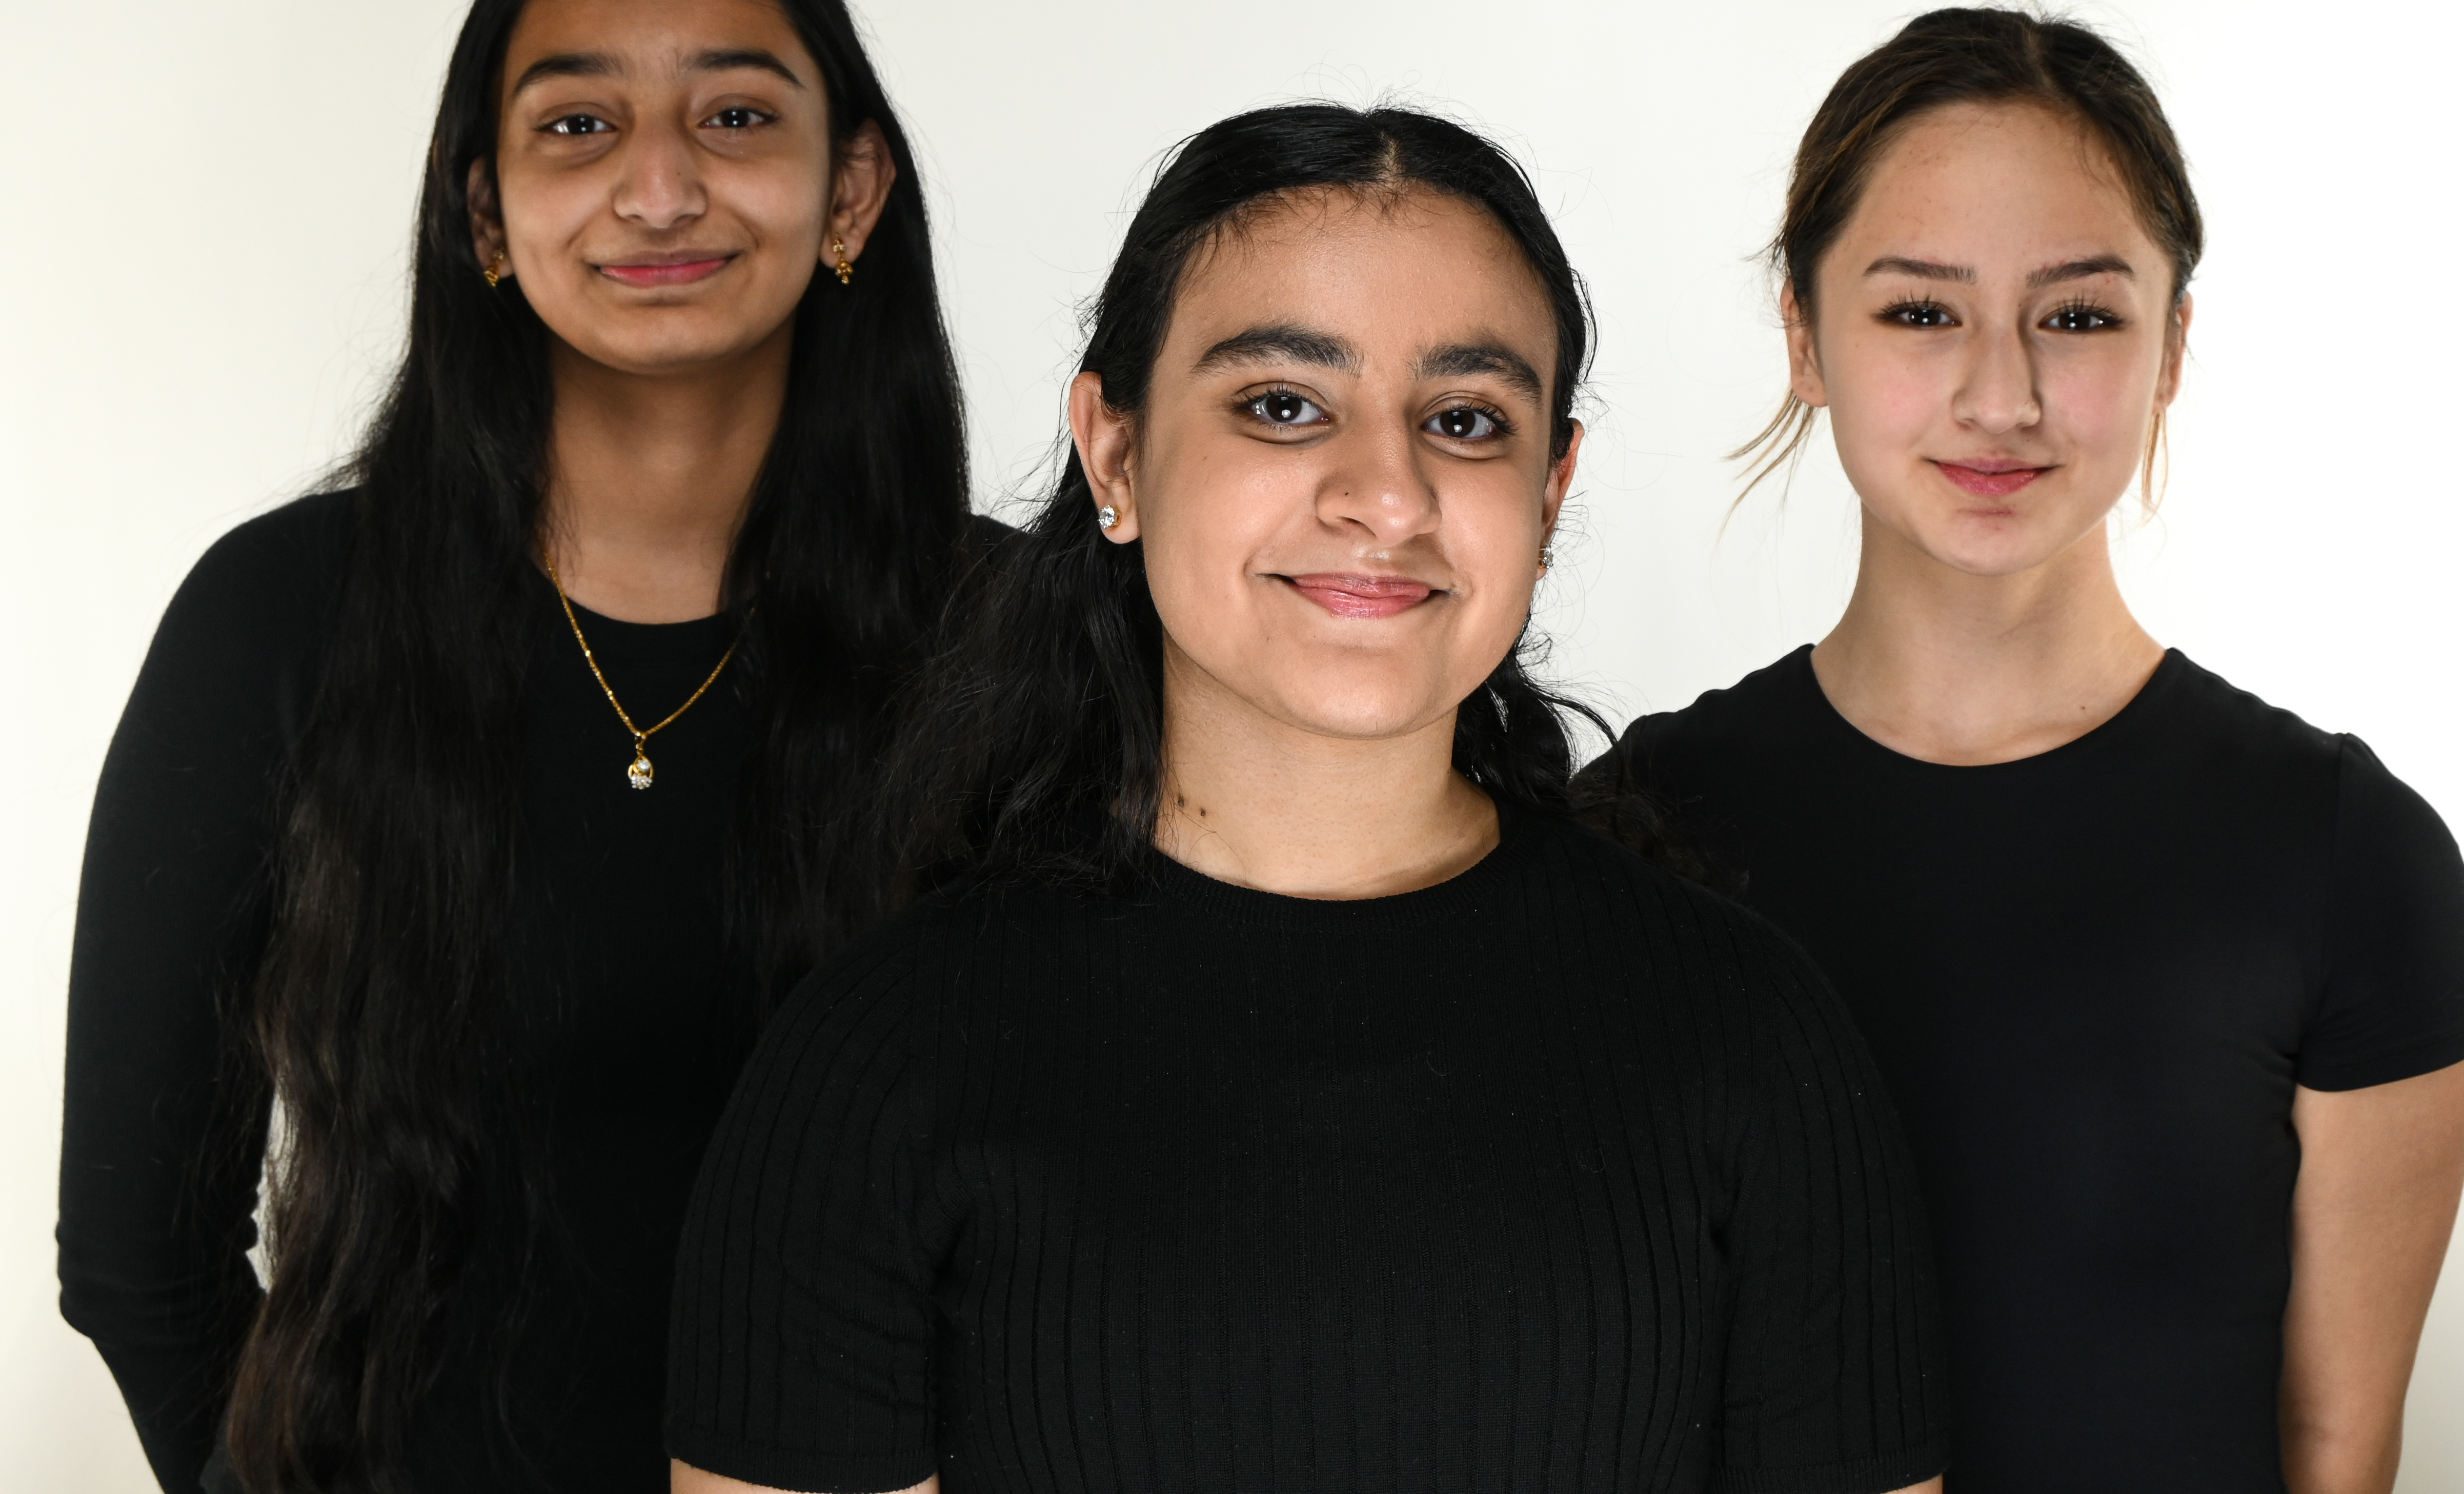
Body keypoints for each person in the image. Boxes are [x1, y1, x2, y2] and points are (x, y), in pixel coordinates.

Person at [663, 104, 1951, 1494]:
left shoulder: (1754, 1044)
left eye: (1463, 420)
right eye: (1282, 404)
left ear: (1550, 490)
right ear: (1111, 451)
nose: (1384, 495)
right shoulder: (869, 1068)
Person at [57, 0, 981, 1494]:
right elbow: (139, 1246)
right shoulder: (280, 616)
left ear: (851, 193)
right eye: (575, 127)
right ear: (484, 216)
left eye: (737, 113)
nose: (660, 184)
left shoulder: (1015, 636)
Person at [1592, 8, 2464, 1493]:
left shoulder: (2344, 853)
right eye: (1919, 311)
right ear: (1802, 333)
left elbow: (2335, 1454)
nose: (1999, 395)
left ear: (2172, 345)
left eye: (2076, 315)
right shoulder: (1638, 824)